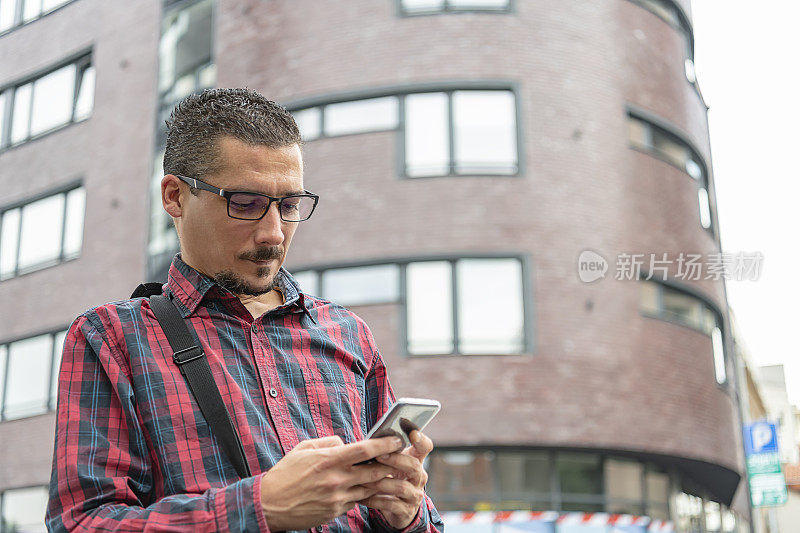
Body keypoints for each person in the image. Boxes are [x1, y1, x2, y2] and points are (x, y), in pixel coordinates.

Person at [46, 88, 444, 533]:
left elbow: (418, 520)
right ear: (175, 196)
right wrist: (261, 508)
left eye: (289, 206)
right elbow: (81, 524)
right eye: (246, 204)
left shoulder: (348, 333)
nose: (274, 234)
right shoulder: (111, 338)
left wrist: (408, 515)